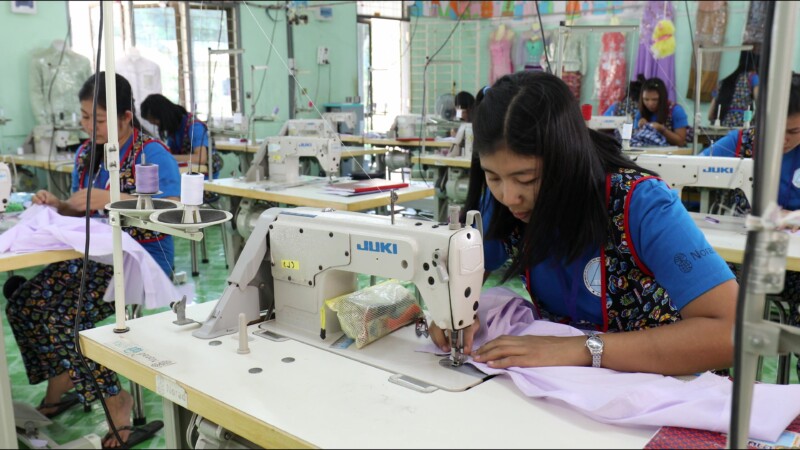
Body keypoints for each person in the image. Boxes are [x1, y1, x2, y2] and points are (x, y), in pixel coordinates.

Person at [432, 71, 737, 376]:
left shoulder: (642, 206)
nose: (510, 196)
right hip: (571, 387)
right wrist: (452, 311)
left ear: (567, 157)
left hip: (665, 384)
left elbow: (730, 334)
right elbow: (463, 280)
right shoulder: (502, 207)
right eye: (493, 177)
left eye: (527, 179)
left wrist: (581, 348)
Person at [5, 72, 181, 448]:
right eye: (84, 117)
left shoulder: (151, 154)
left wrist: (116, 200)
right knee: (22, 303)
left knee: (61, 312)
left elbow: (174, 210)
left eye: (97, 119)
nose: (88, 126)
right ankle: (64, 378)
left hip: (140, 258)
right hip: (93, 254)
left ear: (125, 118)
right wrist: (58, 205)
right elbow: (78, 208)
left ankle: (116, 399)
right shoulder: (86, 155)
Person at [700, 74, 800, 379]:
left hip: (793, 267)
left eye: (794, 131)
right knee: (708, 294)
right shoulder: (742, 142)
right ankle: (712, 376)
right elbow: (698, 168)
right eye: (774, 130)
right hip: (742, 261)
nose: (783, 139)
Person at [140, 93, 222, 180]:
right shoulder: (173, 129)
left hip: (204, 176)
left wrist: (168, 157)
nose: (158, 127)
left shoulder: (195, 127)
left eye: (157, 123)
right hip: (187, 173)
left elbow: (201, 158)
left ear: (163, 116)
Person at [632, 77, 690, 147]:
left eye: (655, 99)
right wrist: (640, 128)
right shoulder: (640, 113)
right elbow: (634, 139)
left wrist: (662, 130)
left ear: (662, 98)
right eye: (646, 99)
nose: (650, 104)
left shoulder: (676, 111)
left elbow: (680, 142)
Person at [708, 50, 759, 128]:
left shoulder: (723, 82)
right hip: (741, 130)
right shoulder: (752, 77)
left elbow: (710, 115)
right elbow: (760, 105)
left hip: (721, 129)